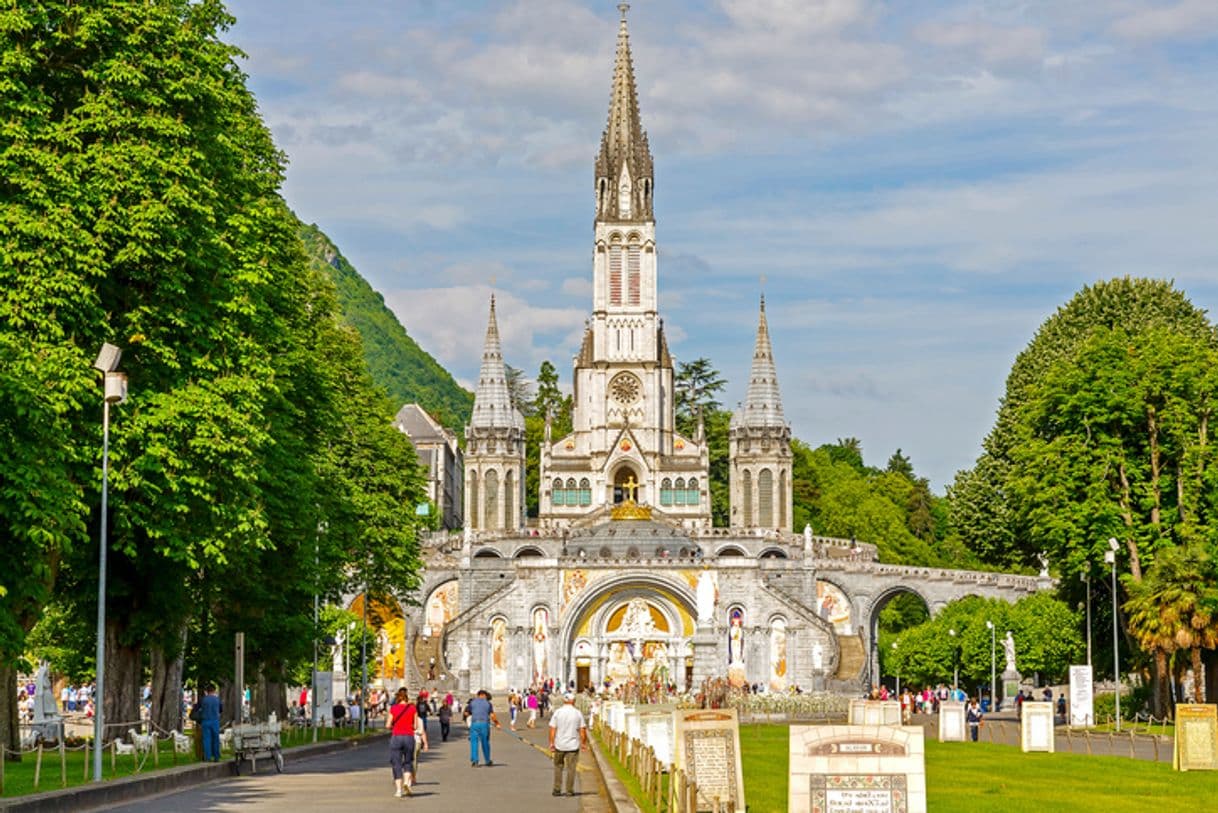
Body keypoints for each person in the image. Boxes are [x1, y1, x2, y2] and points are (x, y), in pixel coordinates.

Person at [388, 688, 428, 798]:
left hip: (396, 737)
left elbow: (388, 724)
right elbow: (415, 726)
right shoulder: (412, 708)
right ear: (407, 698)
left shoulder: (393, 708)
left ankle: (398, 790)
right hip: (409, 737)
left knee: (396, 763)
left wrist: (394, 726)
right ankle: (406, 782)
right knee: (408, 761)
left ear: (398, 698)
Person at [548, 692, 588, 797]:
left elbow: (552, 729)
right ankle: (569, 790)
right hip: (573, 745)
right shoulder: (577, 713)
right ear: (573, 701)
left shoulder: (558, 712)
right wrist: (583, 743)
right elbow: (582, 730)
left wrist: (551, 743)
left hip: (559, 744)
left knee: (558, 767)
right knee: (571, 768)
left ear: (564, 701)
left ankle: (557, 789)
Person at [466, 689, 501, 767]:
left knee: (474, 742)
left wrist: (474, 713)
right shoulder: (488, 703)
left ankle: (475, 760)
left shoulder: (472, 702)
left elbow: (466, 713)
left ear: (478, 695)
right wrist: (497, 723)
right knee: (485, 742)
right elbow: (492, 716)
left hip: (474, 724)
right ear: (484, 695)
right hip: (484, 724)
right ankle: (487, 760)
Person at [198, 684, 222, 762]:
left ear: (206, 691)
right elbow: (221, 709)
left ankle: (207, 757)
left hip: (205, 720)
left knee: (206, 739)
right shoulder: (217, 699)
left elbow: (199, 709)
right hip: (215, 720)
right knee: (216, 739)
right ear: (214, 690)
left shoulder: (203, 700)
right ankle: (216, 757)